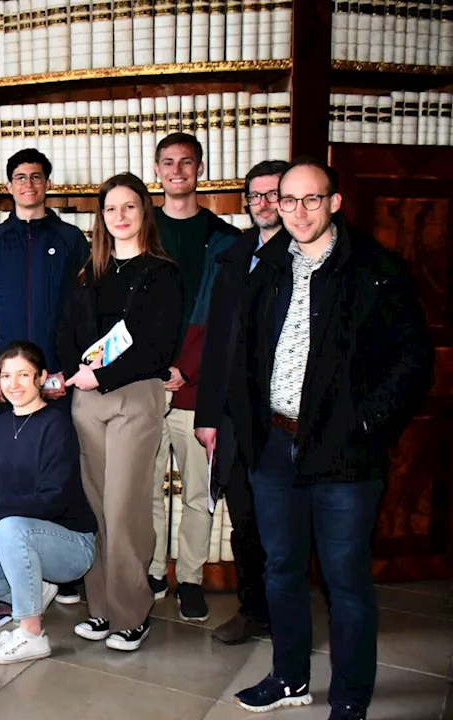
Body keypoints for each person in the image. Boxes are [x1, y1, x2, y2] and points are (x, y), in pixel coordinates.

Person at [229, 159, 431, 719]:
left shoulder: (376, 268)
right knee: (281, 570)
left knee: (344, 581)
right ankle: (290, 677)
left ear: (335, 203)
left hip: (346, 453)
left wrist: (368, 424)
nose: (297, 211)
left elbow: (411, 362)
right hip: (274, 445)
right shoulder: (265, 264)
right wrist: (246, 425)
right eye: (287, 201)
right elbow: (241, 349)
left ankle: (349, 697)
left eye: (310, 200)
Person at [57, 173, 184, 652]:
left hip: (135, 394)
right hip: (87, 398)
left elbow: (159, 345)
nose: (121, 216)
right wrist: (75, 373)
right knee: (96, 508)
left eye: (130, 207)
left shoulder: (162, 272)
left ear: (143, 213)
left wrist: (101, 377)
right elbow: (66, 329)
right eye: (111, 209)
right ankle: (102, 609)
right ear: (102, 218)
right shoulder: (90, 270)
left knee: (125, 508)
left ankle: (132, 615)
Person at [0, 149, 89, 604]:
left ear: (46, 183)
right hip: (9, 379)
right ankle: (23, 560)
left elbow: (83, 311)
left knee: (61, 471)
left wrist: (71, 367)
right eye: (19, 178)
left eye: (36, 177)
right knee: (13, 466)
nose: (28, 185)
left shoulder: (70, 238)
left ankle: (65, 571)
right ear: (9, 187)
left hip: (56, 379)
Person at [0, 342, 97, 664]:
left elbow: (51, 499)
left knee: (12, 524)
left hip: (69, 544)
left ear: (41, 378)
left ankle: (31, 634)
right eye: (6, 375)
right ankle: (35, 591)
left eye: (23, 375)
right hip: (14, 537)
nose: (13, 384)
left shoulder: (57, 425)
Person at [194, 159, 290, 645]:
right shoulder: (233, 256)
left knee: (285, 525)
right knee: (245, 522)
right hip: (232, 419)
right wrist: (207, 418)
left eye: (274, 194)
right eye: (255, 196)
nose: (264, 204)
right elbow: (216, 346)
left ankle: (287, 616)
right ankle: (254, 612)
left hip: (282, 420)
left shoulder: (305, 257)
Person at [147, 132, 240, 620]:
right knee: (147, 489)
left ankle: (190, 577)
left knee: (198, 492)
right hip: (144, 386)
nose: (177, 170)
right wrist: (150, 367)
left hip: (198, 389)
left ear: (200, 168)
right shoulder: (141, 230)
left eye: (186, 162)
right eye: (168, 163)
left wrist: (187, 368)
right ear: (156, 170)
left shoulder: (223, 239)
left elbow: (226, 319)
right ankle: (151, 570)